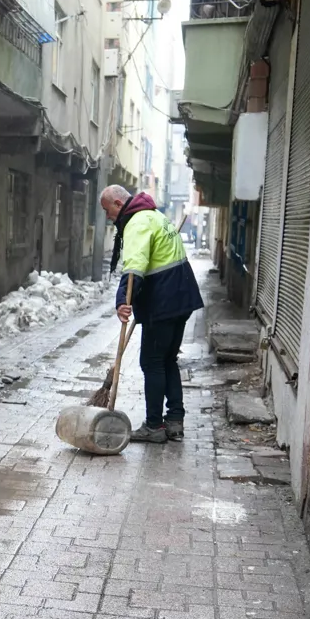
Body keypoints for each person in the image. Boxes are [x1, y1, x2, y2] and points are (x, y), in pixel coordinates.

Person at [101, 185, 204, 444]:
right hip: (181, 298)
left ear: (116, 203)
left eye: (106, 210)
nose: (107, 217)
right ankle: (175, 422)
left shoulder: (137, 222)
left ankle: (154, 425)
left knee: (152, 362)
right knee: (168, 360)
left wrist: (123, 300)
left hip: (165, 302)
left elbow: (135, 267)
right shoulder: (155, 216)